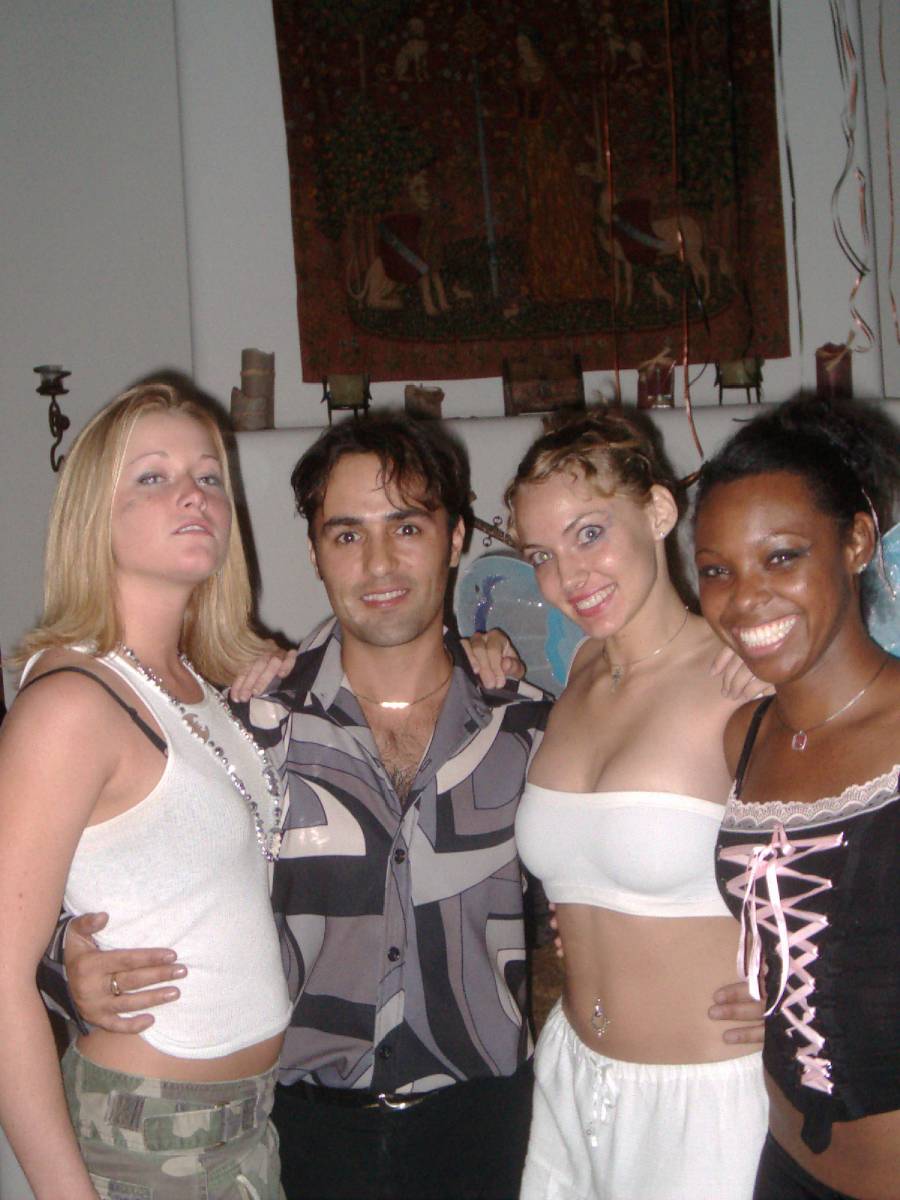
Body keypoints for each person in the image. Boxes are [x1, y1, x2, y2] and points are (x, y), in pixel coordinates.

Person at [44, 412, 552, 1200]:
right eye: (347, 534)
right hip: (296, 1134)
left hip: (485, 1129)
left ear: (455, 538)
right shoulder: (248, 724)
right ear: (315, 552)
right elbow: (116, 867)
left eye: (407, 527)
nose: (379, 562)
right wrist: (67, 956)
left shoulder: (527, 725)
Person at [0, 384, 292, 1199]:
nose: (193, 494)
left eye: (208, 476)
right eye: (154, 477)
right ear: (96, 515)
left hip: (247, 1123)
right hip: (147, 1135)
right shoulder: (71, 704)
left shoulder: (195, 686)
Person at [504, 410, 770, 1199]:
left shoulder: (744, 673)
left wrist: (812, 987)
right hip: (572, 1078)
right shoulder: (580, 667)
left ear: (657, 511)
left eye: (590, 534)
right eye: (541, 555)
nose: (569, 577)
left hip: (703, 1103)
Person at [695, 395, 900, 1200]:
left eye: (781, 557)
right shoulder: (743, 736)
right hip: (783, 1169)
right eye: (717, 570)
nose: (744, 600)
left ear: (856, 542)